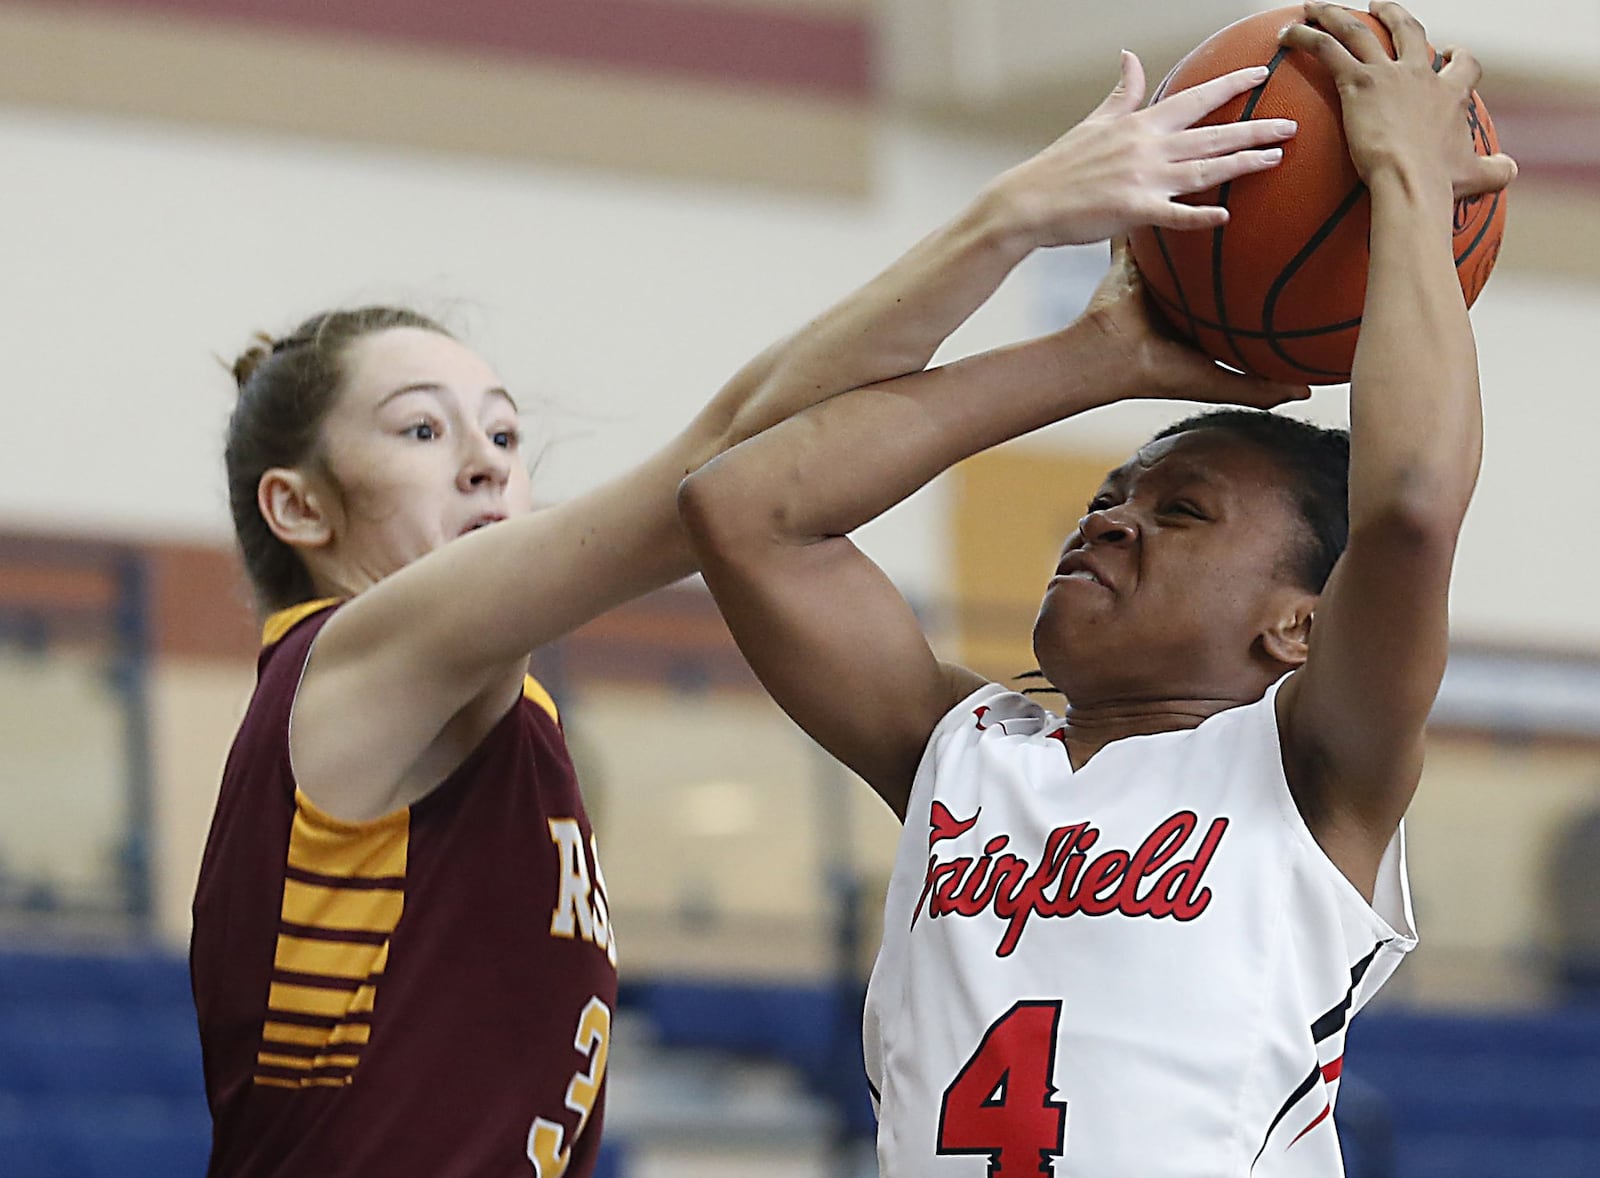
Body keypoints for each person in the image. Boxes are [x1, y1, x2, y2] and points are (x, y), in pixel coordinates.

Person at [186, 52, 1289, 1178]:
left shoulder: (495, 712)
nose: (484, 466)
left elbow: (740, 440)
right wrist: (1018, 231)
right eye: (422, 431)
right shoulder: (355, 658)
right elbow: (723, 461)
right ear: (299, 506)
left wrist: (1083, 331)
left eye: (505, 434)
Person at [678, 2, 1517, 1174]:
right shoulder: (960, 745)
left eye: (1179, 511)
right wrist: (1092, 359)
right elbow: (742, 510)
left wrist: (1404, 191)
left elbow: (1413, 505)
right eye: (1109, 497)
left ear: (1301, 624)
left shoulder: (1311, 767)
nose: (1112, 517)